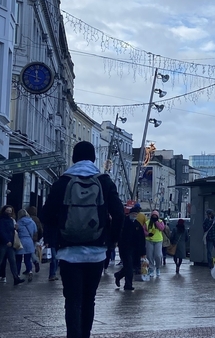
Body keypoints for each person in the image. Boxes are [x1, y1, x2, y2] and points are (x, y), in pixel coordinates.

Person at [41, 141, 124, 338]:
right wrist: (110, 241)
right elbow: (119, 213)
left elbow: (46, 214)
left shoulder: (63, 182)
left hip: (69, 252)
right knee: (89, 299)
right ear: (94, 158)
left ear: (73, 158)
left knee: (72, 301)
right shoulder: (104, 181)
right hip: (96, 252)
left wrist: (55, 239)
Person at [0, 205, 24, 286]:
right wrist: (7, 241)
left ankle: (16, 278)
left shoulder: (11, 220)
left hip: (10, 244)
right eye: (8, 211)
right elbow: (0, 232)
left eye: (10, 211)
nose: (9, 212)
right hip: (2, 244)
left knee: (12, 261)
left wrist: (15, 229)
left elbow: (10, 231)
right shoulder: (0, 220)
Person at [115, 205, 145, 290]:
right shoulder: (124, 222)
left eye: (136, 214)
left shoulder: (138, 224)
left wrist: (143, 252)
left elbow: (142, 239)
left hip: (135, 250)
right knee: (129, 266)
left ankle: (119, 275)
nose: (135, 215)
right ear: (130, 214)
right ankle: (128, 285)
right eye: (134, 213)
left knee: (133, 266)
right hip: (125, 248)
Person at [16, 209, 38, 282]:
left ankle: (17, 275)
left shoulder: (18, 222)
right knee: (27, 259)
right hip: (29, 241)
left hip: (20, 241)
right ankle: (30, 271)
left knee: (18, 260)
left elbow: (16, 231)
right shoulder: (32, 222)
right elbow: (35, 231)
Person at [144, 210, 165, 277]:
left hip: (158, 240)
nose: (154, 217)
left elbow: (162, 228)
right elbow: (143, 230)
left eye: (156, 216)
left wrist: (156, 222)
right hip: (149, 240)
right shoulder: (147, 222)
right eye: (153, 216)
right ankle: (151, 269)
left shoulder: (160, 222)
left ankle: (158, 268)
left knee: (158, 255)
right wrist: (148, 234)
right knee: (149, 256)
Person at [27, 206, 43, 273]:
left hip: (28, 237)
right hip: (34, 238)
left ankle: (34, 262)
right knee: (32, 251)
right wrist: (39, 238)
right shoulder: (37, 219)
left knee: (29, 252)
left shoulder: (28, 219)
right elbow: (40, 230)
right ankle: (30, 266)